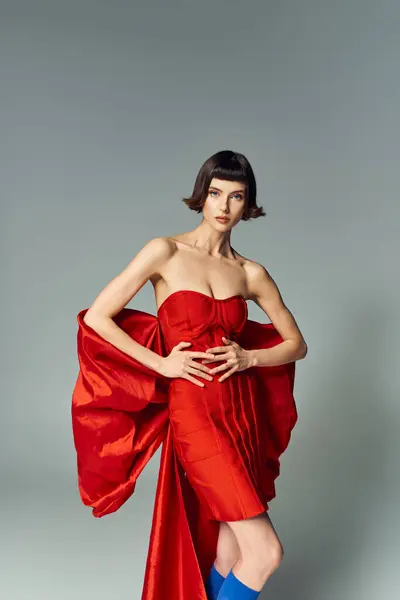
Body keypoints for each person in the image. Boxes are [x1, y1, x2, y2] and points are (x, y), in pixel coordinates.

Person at [71, 149, 307, 600]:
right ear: (202, 195)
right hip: (196, 415)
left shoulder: (251, 273)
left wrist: (250, 358)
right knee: (266, 554)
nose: (224, 207)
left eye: (236, 197)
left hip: (243, 418)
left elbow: (296, 344)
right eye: (216, 193)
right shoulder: (165, 251)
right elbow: (99, 316)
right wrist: (160, 363)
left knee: (229, 553)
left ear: (248, 205)